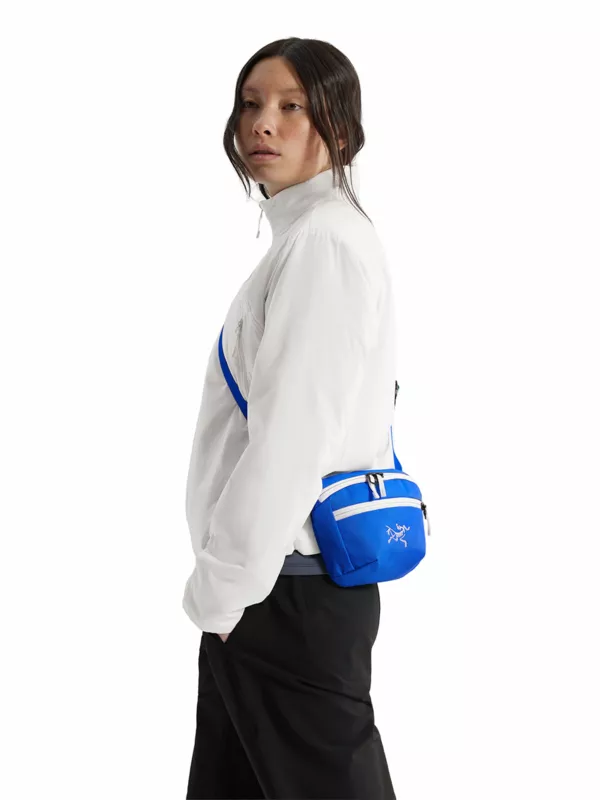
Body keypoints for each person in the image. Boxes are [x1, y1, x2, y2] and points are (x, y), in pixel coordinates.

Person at [183, 36, 398, 800]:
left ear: (338, 125)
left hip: (282, 595)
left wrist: (223, 592)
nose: (262, 123)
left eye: (290, 106)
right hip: (271, 591)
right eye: (250, 104)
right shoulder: (308, 238)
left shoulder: (324, 245)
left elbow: (291, 439)